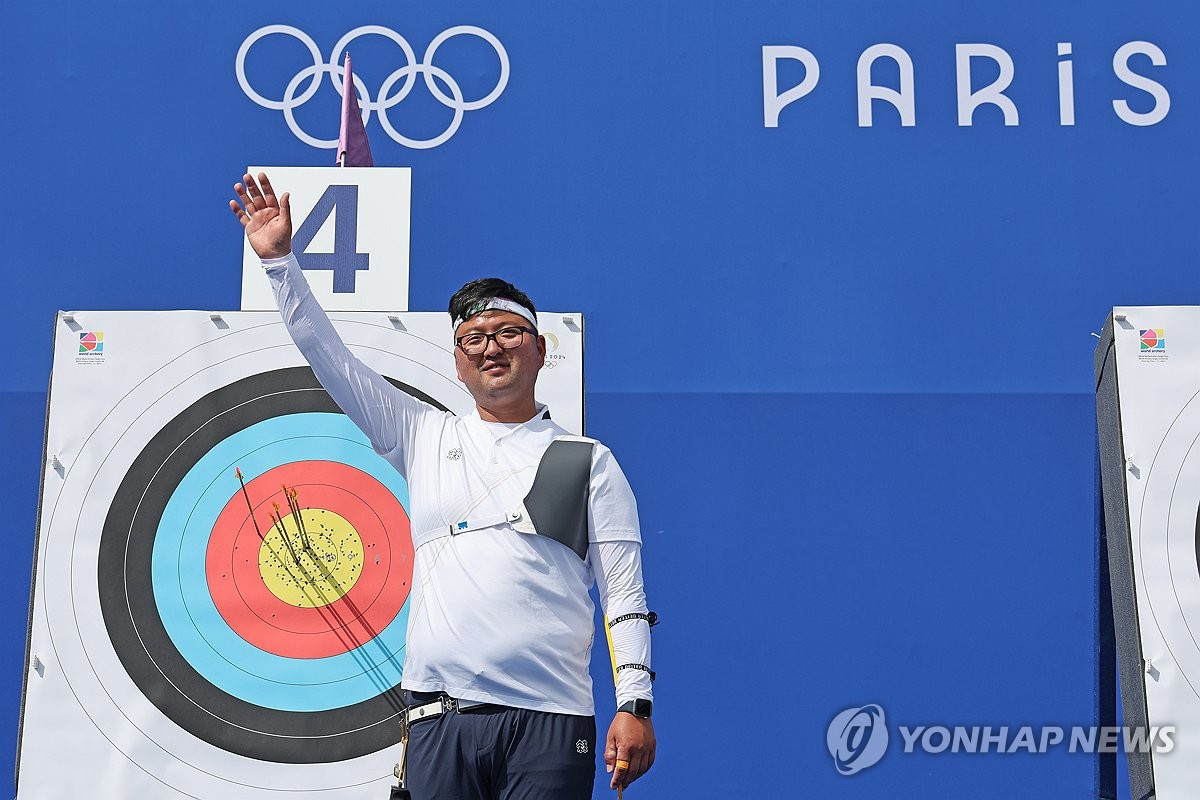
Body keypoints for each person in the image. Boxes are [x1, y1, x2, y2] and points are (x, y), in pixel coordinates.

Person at [230, 173, 656, 799]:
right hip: (439, 721)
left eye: (508, 334)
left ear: (540, 351)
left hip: (552, 720)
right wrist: (280, 264)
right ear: (457, 363)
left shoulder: (588, 460)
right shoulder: (418, 432)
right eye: (474, 340)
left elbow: (625, 594)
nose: (492, 349)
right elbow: (329, 355)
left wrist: (636, 705)